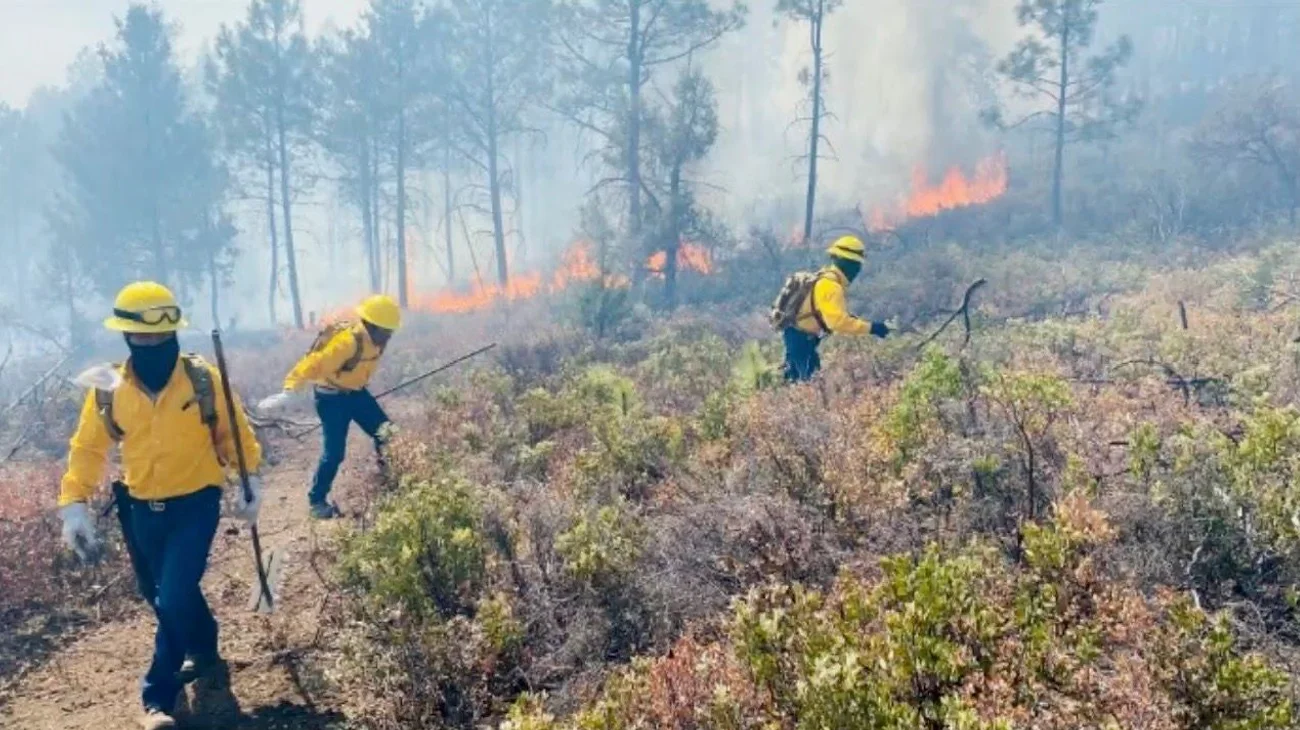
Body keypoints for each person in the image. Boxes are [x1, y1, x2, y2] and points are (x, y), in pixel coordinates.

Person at [57, 281, 263, 730]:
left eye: (159, 335)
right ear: (126, 336)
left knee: (171, 594)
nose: (150, 343)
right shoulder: (109, 388)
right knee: (163, 594)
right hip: (139, 507)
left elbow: (235, 435)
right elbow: (89, 448)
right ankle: (205, 647)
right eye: (140, 336)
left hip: (197, 503)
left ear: (174, 332)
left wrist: (250, 481)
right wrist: (73, 502)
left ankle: (157, 698)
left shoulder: (203, 379)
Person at [265, 294, 400, 520]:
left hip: (356, 394)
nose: (388, 336)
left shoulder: (376, 341)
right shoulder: (347, 342)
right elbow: (314, 363)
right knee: (335, 453)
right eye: (385, 331)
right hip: (331, 400)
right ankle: (317, 500)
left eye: (390, 331)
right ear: (371, 326)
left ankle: (391, 481)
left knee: (387, 433)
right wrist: (289, 389)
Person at [783, 235, 891, 382]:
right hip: (801, 340)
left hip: (798, 336)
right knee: (806, 383)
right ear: (846, 263)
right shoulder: (831, 286)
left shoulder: (826, 278)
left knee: (799, 380)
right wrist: (872, 328)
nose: (857, 270)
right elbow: (837, 323)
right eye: (855, 264)